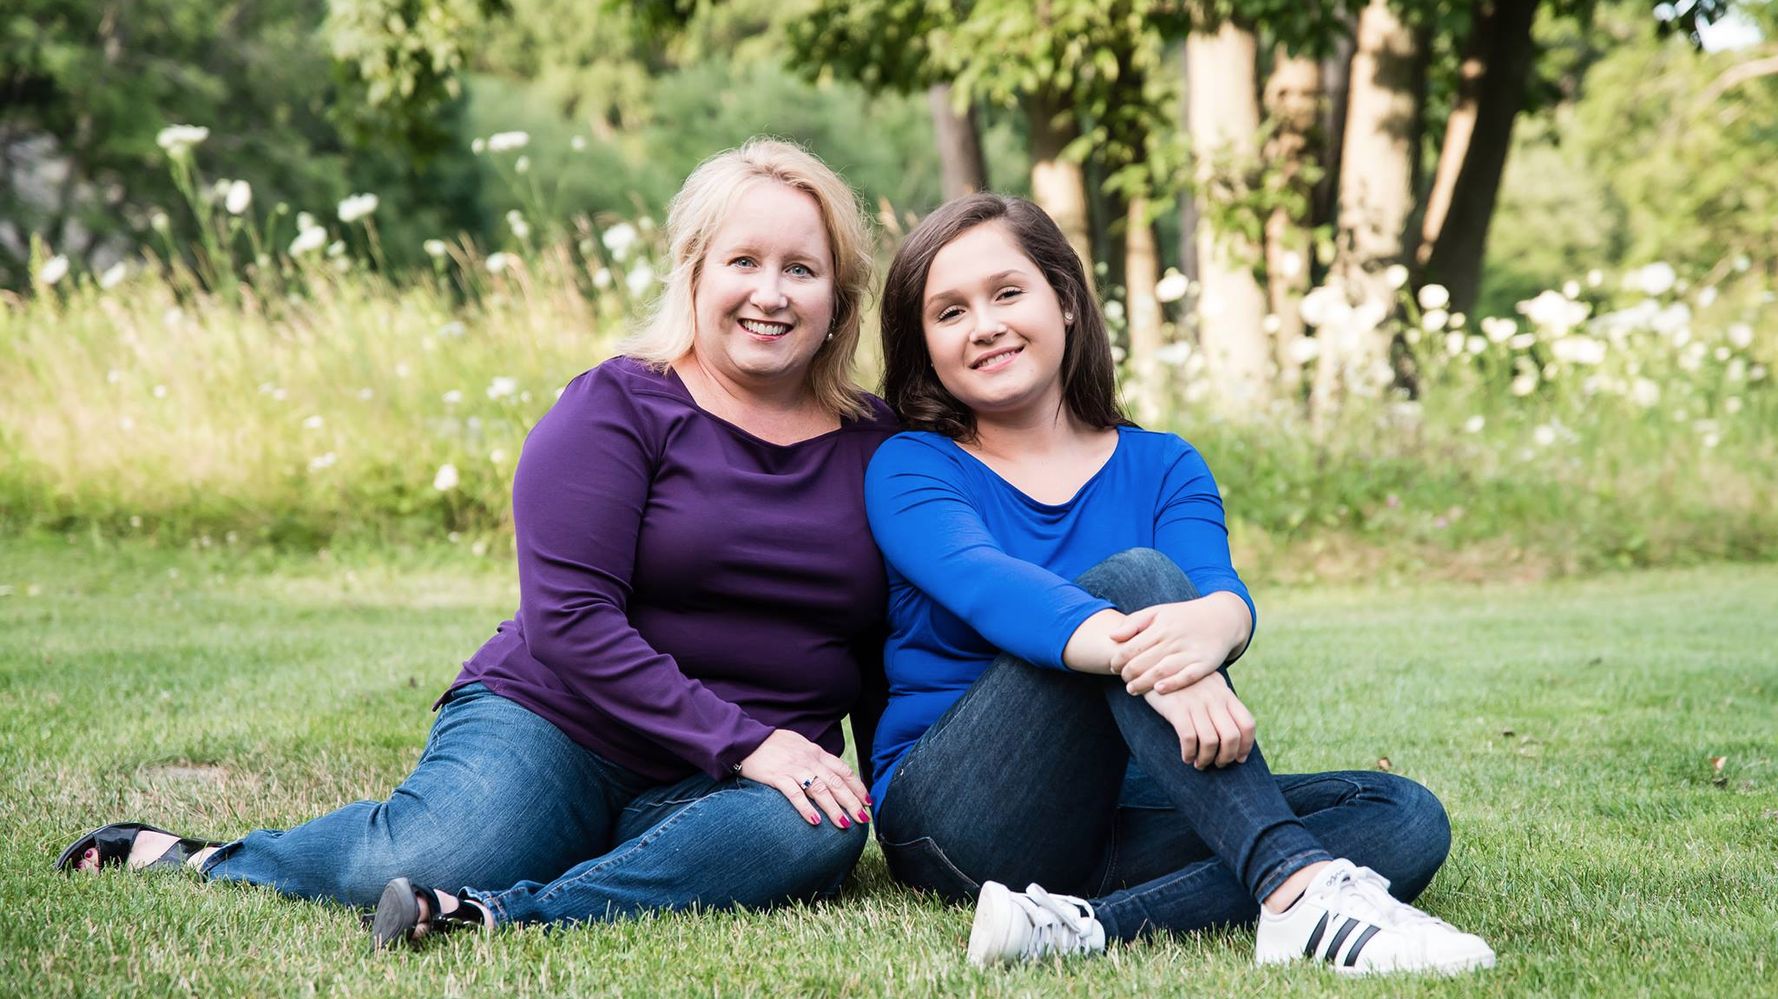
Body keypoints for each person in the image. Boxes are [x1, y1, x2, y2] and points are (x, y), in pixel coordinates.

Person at [59, 138, 899, 948]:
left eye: (801, 269)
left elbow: (883, 645)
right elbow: (570, 620)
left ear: (838, 298)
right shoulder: (618, 406)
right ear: (694, 272)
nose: (771, 292)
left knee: (820, 827)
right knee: (422, 855)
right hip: (564, 727)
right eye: (743, 262)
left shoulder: (879, 447)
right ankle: (208, 857)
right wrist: (746, 739)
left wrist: (876, 794)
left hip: (735, 776)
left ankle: (500, 914)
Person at [863, 192, 1496, 975]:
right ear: (926, 344)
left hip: (1126, 809)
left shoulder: (1163, 463)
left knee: (1400, 815)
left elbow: (1217, 592)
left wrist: (1214, 628)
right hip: (960, 813)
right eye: (949, 311)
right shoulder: (911, 465)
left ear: (1063, 299)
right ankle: (1297, 891)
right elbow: (991, 587)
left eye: (1007, 292)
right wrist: (1154, 645)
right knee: (1138, 577)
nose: (984, 324)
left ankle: (1083, 928)